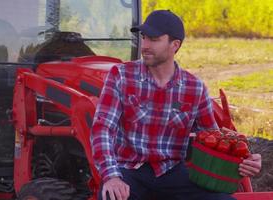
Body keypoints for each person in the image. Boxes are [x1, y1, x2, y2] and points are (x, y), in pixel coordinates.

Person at [90, 10, 262, 200]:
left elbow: (215, 141)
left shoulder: (194, 88)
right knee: (111, 196)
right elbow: (102, 129)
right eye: (144, 38)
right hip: (129, 170)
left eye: (154, 39)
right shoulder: (121, 76)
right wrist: (112, 176)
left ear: (175, 45)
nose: (145, 45)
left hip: (172, 172)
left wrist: (244, 160)